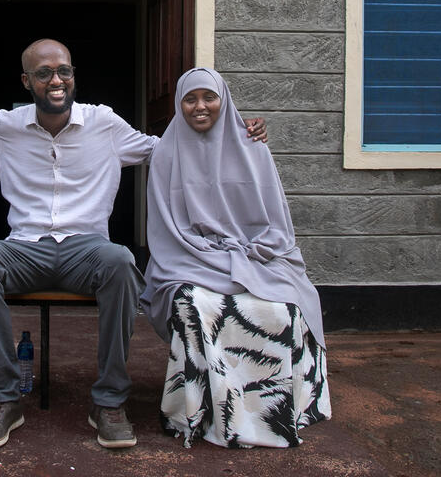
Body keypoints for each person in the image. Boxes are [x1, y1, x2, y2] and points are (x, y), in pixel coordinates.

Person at [0, 39, 267, 450]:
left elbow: (168, 150)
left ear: (73, 76)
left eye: (63, 71)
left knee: (121, 261)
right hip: (24, 249)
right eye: (44, 73)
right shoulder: (6, 129)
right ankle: (3, 399)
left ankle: (109, 402)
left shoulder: (104, 123)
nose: (56, 80)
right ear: (26, 81)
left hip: (87, 251)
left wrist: (236, 132)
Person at [141, 67, 331, 448]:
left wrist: (249, 252)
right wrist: (212, 254)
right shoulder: (165, 151)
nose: (200, 106)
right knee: (194, 304)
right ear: (179, 104)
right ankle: (200, 409)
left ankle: (273, 408)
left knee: (285, 308)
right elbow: (166, 231)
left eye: (208, 97)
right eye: (189, 99)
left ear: (223, 100)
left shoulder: (252, 145)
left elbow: (275, 223)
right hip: (189, 258)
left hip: (254, 255)